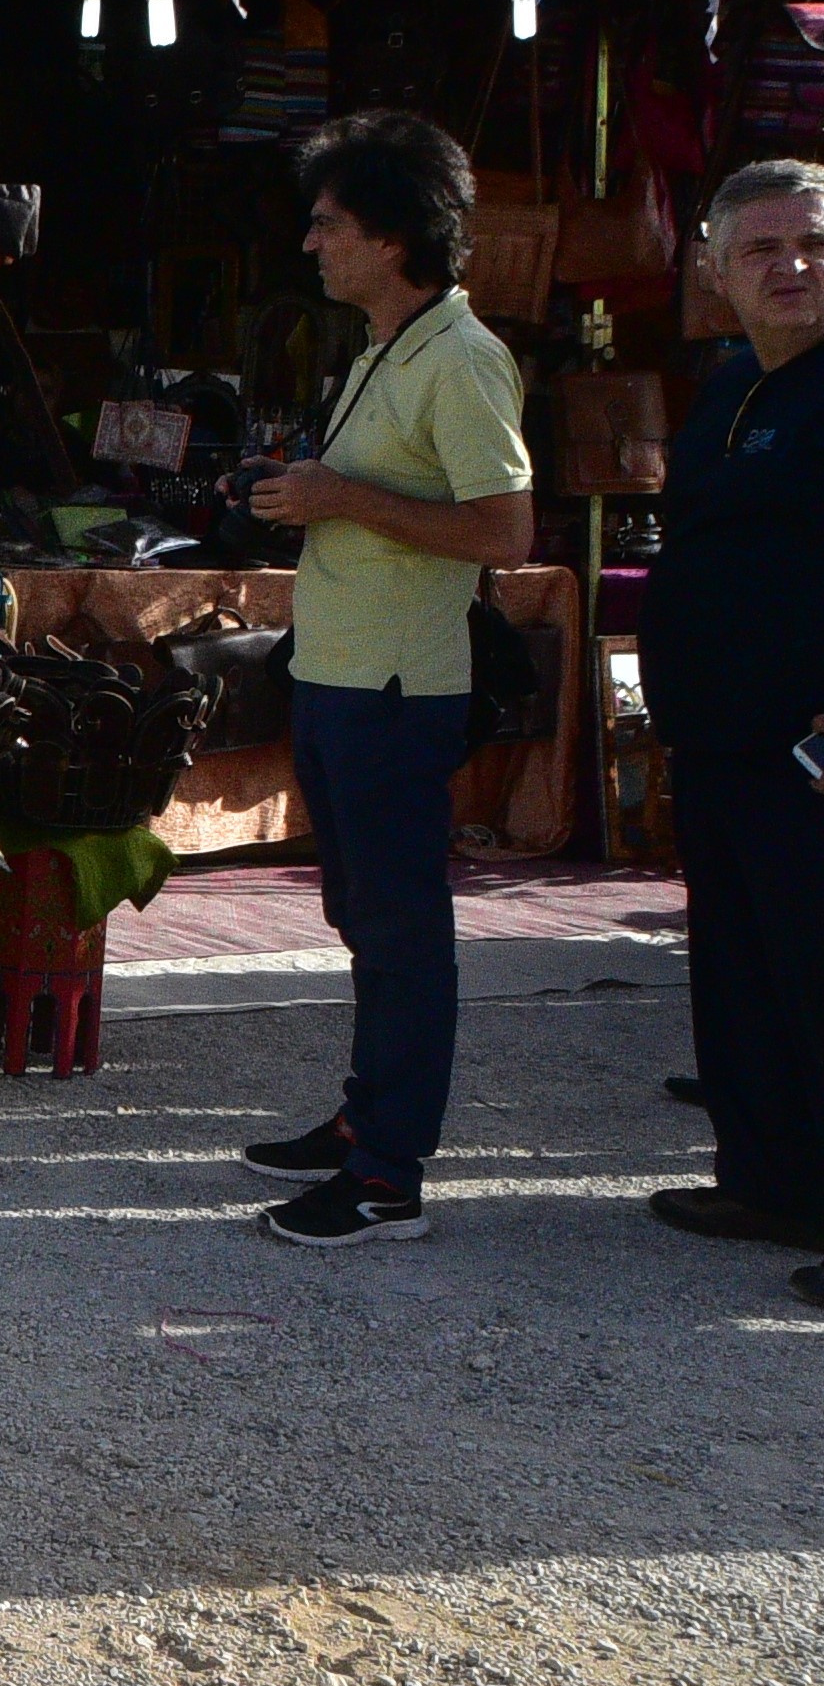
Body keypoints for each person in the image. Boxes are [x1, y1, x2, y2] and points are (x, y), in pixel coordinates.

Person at [242, 110, 535, 1247]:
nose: (310, 244)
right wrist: (301, 493)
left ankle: (388, 1175)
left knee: (401, 928)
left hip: (400, 690)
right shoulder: (385, 346)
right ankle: (369, 1120)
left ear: (394, 234)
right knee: (361, 915)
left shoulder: (461, 357)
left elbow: (506, 531)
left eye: (328, 223)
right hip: (339, 674)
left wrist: (341, 498)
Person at [637, 160, 824, 1309]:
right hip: (722, 739)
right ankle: (773, 1181)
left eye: (812, 242)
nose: (794, 265)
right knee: (745, 973)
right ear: (713, 270)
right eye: (761, 250)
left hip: (808, 749)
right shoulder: (727, 385)